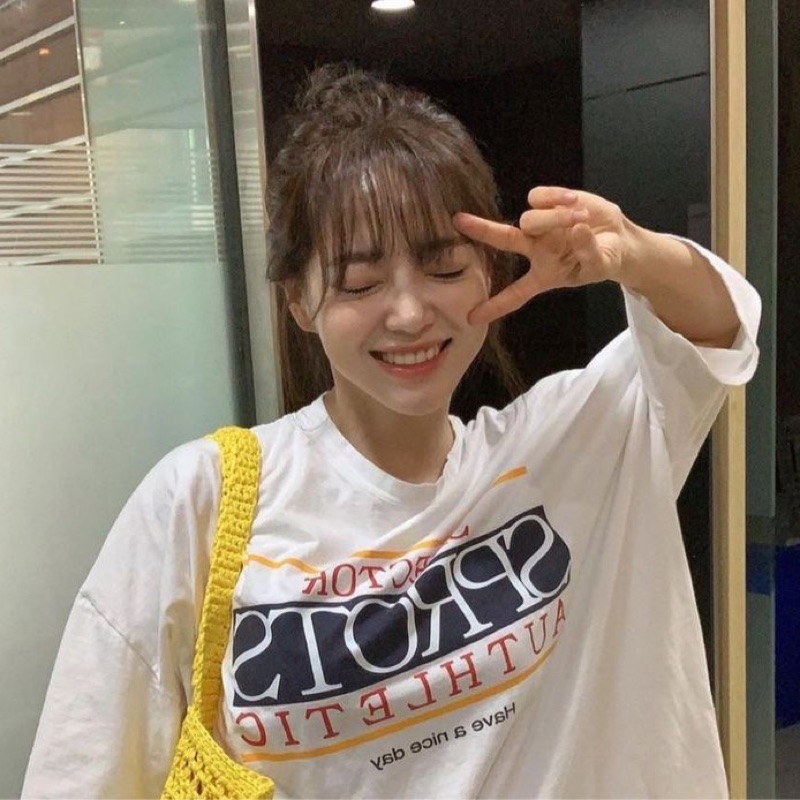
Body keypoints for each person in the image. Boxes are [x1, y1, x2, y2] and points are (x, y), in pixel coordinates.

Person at [22, 63, 760, 799]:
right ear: (299, 300)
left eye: (443, 268)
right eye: (361, 282)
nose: (408, 314)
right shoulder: (200, 502)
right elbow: (82, 767)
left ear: (489, 271)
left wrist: (630, 250)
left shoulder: (563, 449)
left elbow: (718, 328)